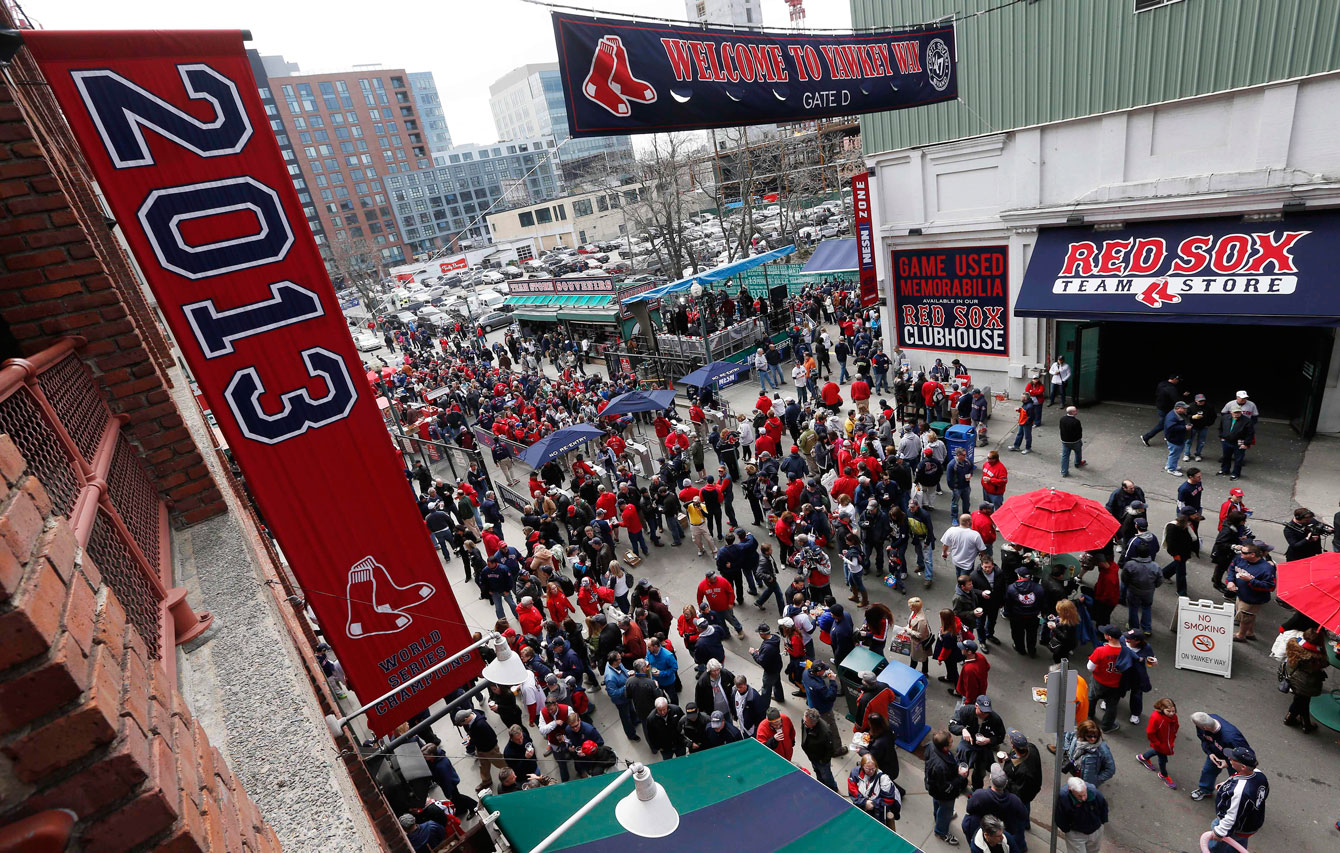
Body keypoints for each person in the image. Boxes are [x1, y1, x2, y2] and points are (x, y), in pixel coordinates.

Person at [1209, 747, 1269, 852]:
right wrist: (1226, 785)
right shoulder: (1259, 774)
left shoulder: (1240, 792)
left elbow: (1232, 817)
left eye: (1233, 759)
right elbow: (1264, 793)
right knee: (1238, 845)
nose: (1229, 758)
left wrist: (1219, 832)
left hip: (1236, 828)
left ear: (1243, 767)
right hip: (1249, 824)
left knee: (1216, 847)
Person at [949, 694, 1005, 791]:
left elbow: (1000, 736)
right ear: (976, 706)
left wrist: (989, 740)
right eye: (982, 711)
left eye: (987, 712)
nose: (985, 714)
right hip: (967, 743)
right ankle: (961, 784)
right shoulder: (965, 711)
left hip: (984, 747)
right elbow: (952, 724)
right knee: (962, 766)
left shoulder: (995, 719)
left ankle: (976, 789)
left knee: (980, 771)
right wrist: (962, 730)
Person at [1190, 711, 1251, 801]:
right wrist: (1210, 753)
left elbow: (1246, 755)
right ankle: (1205, 790)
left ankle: (1237, 800)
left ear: (1205, 728)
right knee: (1208, 771)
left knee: (1237, 780)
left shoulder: (1232, 737)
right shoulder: (1204, 721)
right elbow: (1203, 739)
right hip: (1215, 754)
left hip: (1234, 760)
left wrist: (1228, 762)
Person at [925, 728, 971, 846]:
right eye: (951, 742)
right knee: (946, 809)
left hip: (934, 788)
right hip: (943, 792)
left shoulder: (931, 745)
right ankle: (941, 832)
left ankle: (938, 817)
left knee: (938, 803)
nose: (952, 743)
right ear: (945, 747)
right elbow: (946, 787)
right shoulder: (940, 766)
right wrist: (960, 777)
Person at [1225, 541, 1276, 641]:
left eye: (1244, 552)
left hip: (1253, 598)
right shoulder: (1240, 559)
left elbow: (1270, 586)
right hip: (1240, 594)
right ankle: (1249, 632)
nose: (1241, 554)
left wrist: (1251, 581)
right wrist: (1230, 581)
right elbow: (1231, 568)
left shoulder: (1267, 568)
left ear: (1252, 554)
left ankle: (1241, 635)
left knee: (1245, 617)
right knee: (1248, 616)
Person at [1282, 632, 1329, 732]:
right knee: (1303, 701)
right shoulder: (1317, 657)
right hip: (1306, 683)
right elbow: (1325, 663)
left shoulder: (1295, 645)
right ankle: (1296, 720)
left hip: (1293, 677)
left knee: (1301, 700)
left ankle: (1300, 721)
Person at [454, 708, 506, 791]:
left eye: (462, 724)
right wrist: (470, 737)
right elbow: (474, 733)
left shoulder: (480, 725)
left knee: (501, 763)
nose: (463, 725)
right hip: (481, 748)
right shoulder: (473, 717)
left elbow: (491, 737)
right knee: (483, 766)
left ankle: (513, 772)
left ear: (466, 719)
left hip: (490, 749)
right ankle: (486, 781)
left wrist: (471, 741)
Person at [1054, 776, 1108, 853]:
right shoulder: (1064, 798)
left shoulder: (1095, 793)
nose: (1083, 798)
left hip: (1095, 831)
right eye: (1079, 796)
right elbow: (1060, 817)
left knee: (1094, 851)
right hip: (1076, 834)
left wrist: (1101, 823)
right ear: (1071, 790)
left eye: (1084, 794)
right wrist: (1068, 831)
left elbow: (1103, 808)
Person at [1087, 625, 1126, 732]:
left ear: (1109, 637)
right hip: (1116, 684)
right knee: (1111, 706)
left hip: (1099, 681)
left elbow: (1090, 667)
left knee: (1092, 698)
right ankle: (1106, 726)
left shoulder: (1100, 650)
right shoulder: (1126, 652)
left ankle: (1089, 717)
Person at [1120, 539, 1162, 636]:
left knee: (1133, 608)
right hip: (1148, 591)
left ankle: (1133, 628)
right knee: (1147, 607)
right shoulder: (1155, 566)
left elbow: (1124, 578)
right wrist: (1154, 586)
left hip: (1133, 590)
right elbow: (1159, 579)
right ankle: (1147, 628)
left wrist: (1127, 586)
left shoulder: (1130, 565)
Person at [848, 753, 901, 829]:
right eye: (868, 769)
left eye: (873, 768)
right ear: (862, 766)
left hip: (877, 813)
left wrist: (874, 804)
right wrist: (864, 802)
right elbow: (852, 790)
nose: (871, 771)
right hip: (861, 806)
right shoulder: (855, 773)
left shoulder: (884, 780)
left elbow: (888, 800)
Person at [1136, 697, 1180, 789]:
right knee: (1162, 759)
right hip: (1161, 743)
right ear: (1162, 709)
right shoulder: (1156, 718)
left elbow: (1175, 726)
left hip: (1165, 742)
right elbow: (1150, 732)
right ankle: (1164, 774)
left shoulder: (1173, 717)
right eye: (1169, 711)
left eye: (1173, 711)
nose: (1172, 713)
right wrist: (1157, 743)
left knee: (1156, 751)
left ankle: (1144, 757)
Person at [1062, 719, 1116, 789]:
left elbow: (1110, 770)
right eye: (1089, 736)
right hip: (1075, 769)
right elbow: (1067, 737)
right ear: (1082, 734)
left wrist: (1096, 780)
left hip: (1088, 781)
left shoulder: (1102, 749)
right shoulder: (1075, 734)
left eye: (1095, 736)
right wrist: (1067, 749)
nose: (1093, 739)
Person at [1140, 373, 1184, 446]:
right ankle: (1146, 437)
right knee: (1163, 424)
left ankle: (1168, 436)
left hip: (1160, 406)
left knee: (1166, 423)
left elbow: (1158, 393)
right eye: (1178, 380)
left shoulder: (1162, 384)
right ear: (1175, 379)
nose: (1178, 382)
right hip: (1167, 409)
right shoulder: (1171, 388)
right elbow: (1176, 399)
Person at [801, 708, 839, 791]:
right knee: (817, 771)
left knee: (826, 775)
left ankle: (832, 788)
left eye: (806, 722)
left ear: (813, 724)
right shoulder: (805, 721)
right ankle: (821, 783)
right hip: (812, 756)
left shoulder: (825, 732)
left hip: (821, 759)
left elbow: (830, 749)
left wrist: (824, 761)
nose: (803, 723)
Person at [1216, 403, 1254, 480]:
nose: (1236, 414)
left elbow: (1250, 433)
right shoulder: (1225, 418)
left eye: (1238, 412)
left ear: (1241, 412)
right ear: (1231, 412)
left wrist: (1246, 443)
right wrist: (1221, 437)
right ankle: (1225, 470)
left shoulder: (1247, 421)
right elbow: (1221, 428)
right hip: (1226, 441)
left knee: (1238, 459)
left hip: (1239, 442)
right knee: (1226, 457)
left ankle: (1236, 474)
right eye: (1235, 412)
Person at [750, 622, 786, 703]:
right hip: (777, 665)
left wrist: (753, 653)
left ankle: (764, 704)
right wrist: (760, 652)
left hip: (770, 670)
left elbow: (761, 661)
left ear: (762, 634)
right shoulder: (775, 638)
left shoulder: (767, 648)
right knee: (777, 681)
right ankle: (779, 697)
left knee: (766, 688)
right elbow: (768, 652)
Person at [645, 697, 686, 761]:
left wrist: (684, 739)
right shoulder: (651, 719)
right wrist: (658, 747)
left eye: (664, 709)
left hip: (679, 743)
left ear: (667, 706)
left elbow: (684, 723)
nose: (662, 712)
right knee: (667, 762)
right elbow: (651, 735)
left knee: (682, 760)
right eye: (659, 710)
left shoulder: (676, 710)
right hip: (665, 748)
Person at [1163, 401, 1190, 475]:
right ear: (1178, 408)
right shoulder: (1172, 416)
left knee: (1174, 453)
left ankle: (1170, 465)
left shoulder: (1177, 414)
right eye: (1184, 408)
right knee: (1175, 454)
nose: (1185, 410)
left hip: (1175, 438)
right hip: (1174, 439)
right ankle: (1171, 469)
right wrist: (1184, 428)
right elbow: (1171, 428)